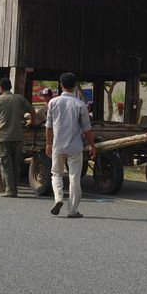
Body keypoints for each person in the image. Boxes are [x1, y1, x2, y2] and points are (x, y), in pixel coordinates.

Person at [46, 73, 97, 218]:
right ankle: (72, 210)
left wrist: (48, 144)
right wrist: (93, 146)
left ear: (61, 85)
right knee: (74, 178)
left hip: (58, 146)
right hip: (75, 147)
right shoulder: (81, 105)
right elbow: (87, 129)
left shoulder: (53, 103)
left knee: (56, 174)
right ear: (75, 86)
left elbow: (49, 127)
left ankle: (58, 198)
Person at [0, 77, 35, 198]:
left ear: (1, 88)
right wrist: (31, 122)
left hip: (4, 137)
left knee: (6, 164)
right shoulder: (19, 98)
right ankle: (14, 189)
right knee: (16, 164)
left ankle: (10, 191)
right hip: (18, 136)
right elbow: (32, 111)